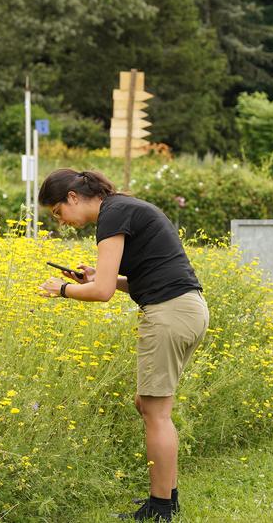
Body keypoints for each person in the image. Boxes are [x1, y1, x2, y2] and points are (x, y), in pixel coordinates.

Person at [38, 169, 209, 522]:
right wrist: (103, 279)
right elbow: (143, 277)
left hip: (169, 313)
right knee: (149, 406)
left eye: (58, 212)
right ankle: (168, 497)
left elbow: (99, 294)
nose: (62, 222)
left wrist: (63, 290)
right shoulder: (123, 206)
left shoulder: (111, 215)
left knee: (155, 413)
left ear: (73, 197)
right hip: (186, 308)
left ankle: (161, 507)